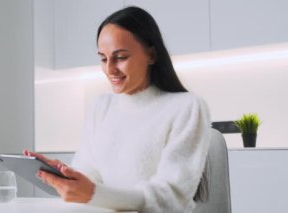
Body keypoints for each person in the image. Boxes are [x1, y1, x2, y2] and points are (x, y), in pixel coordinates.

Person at [24, 6, 211, 213]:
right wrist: (66, 176)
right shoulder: (100, 107)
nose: (110, 69)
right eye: (103, 59)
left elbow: (171, 197)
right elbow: (90, 175)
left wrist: (95, 194)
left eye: (120, 57)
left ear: (152, 54)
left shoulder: (187, 107)